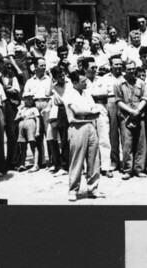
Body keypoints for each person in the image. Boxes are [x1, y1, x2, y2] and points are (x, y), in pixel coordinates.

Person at [63, 70, 104, 202]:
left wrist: (87, 114)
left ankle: (93, 188)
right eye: (83, 81)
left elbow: (94, 109)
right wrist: (88, 113)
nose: (86, 83)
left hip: (90, 126)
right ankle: (73, 190)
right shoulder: (69, 94)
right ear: (75, 83)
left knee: (94, 159)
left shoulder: (86, 93)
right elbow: (77, 111)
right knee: (77, 160)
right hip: (77, 127)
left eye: (86, 80)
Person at [115, 61, 147, 180]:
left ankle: (139, 169)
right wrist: (130, 111)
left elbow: (144, 98)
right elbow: (118, 101)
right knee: (127, 143)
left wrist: (138, 110)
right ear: (124, 69)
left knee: (141, 143)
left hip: (140, 114)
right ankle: (127, 169)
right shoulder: (119, 83)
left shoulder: (141, 83)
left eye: (133, 69)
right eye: (129, 69)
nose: (131, 71)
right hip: (125, 116)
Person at [22, 57, 53, 168]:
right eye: (41, 65)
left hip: (46, 104)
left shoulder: (49, 79)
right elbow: (25, 95)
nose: (44, 67)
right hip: (34, 105)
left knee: (48, 132)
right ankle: (41, 161)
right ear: (35, 67)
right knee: (37, 133)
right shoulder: (30, 81)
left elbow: (52, 95)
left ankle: (52, 161)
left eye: (45, 65)